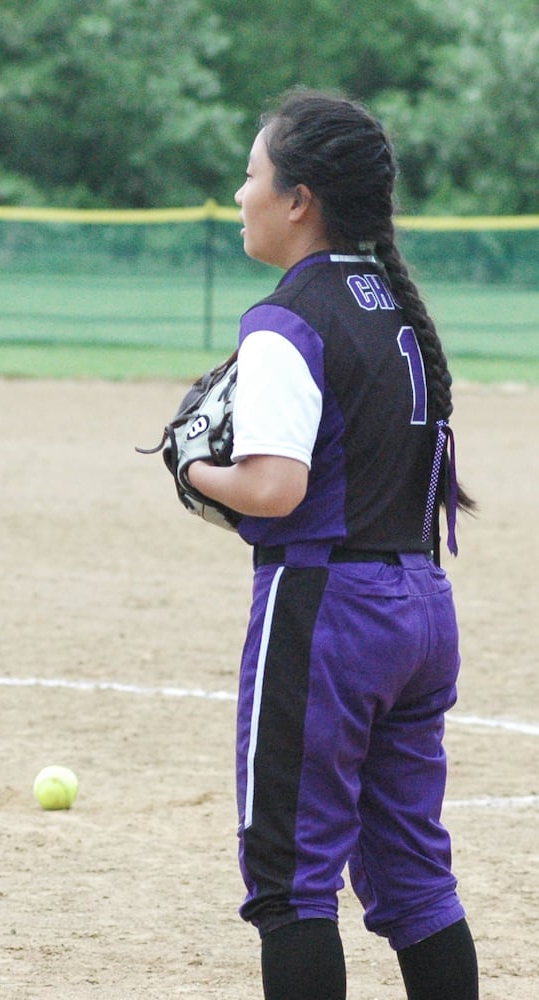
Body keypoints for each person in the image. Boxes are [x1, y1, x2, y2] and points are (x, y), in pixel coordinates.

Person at [183, 89, 479, 1000]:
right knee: (414, 878)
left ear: (298, 198)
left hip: (326, 612)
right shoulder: (393, 302)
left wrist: (193, 466)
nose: (240, 195)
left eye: (251, 174)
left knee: (290, 883)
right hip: (420, 604)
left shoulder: (288, 318)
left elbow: (273, 490)